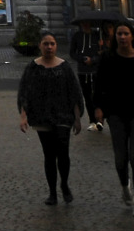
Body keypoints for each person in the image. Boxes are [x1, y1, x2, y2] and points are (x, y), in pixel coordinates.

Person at [92, 22, 134, 217]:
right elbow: (99, 85)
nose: (122, 37)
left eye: (125, 34)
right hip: (115, 114)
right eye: (119, 34)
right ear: (116, 38)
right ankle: (124, 187)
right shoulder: (108, 59)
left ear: (132, 37)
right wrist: (98, 107)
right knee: (121, 159)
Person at [17, 32, 87, 205]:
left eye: (52, 44)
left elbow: (75, 93)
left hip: (63, 115)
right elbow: (25, 92)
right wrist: (23, 116)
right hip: (41, 117)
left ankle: (64, 184)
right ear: (40, 46)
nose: (49, 47)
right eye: (46, 44)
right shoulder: (32, 67)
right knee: (49, 155)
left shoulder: (65, 67)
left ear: (56, 46)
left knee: (63, 153)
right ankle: (52, 192)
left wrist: (77, 118)